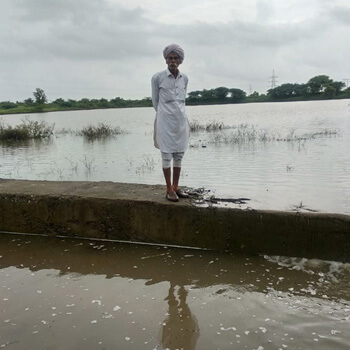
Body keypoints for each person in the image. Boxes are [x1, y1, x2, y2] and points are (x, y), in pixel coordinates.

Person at [151, 44, 190, 202]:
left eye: (175, 58)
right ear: (165, 59)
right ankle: (168, 189)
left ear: (180, 60)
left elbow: (182, 100)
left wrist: (178, 115)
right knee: (166, 155)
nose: (172, 60)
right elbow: (155, 101)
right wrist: (164, 115)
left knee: (179, 155)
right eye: (170, 58)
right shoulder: (157, 78)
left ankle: (176, 186)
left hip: (181, 121)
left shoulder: (184, 78)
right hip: (164, 122)